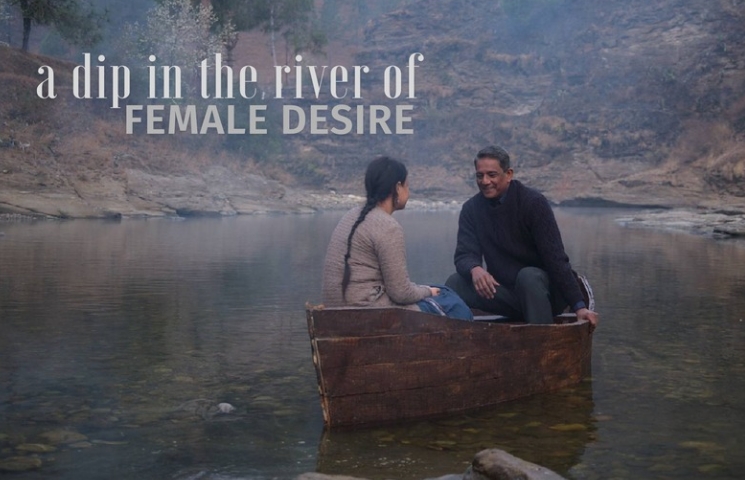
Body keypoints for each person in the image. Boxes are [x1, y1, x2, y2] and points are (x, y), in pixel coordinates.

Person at [445, 145, 598, 328]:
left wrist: (579, 306)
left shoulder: (533, 203)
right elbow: (464, 255)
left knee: (528, 276)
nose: (485, 181)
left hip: (544, 294)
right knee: (455, 283)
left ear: (508, 174)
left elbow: (556, 258)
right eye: (480, 175)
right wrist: (475, 268)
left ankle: (543, 338)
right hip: (508, 294)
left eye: (492, 175)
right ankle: (461, 339)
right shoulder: (471, 209)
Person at [322, 156, 439, 310]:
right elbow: (401, 293)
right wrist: (428, 291)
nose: (408, 191)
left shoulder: (350, 216)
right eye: (407, 186)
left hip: (334, 310)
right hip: (369, 311)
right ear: (398, 188)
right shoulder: (388, 227)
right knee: (447, 298)